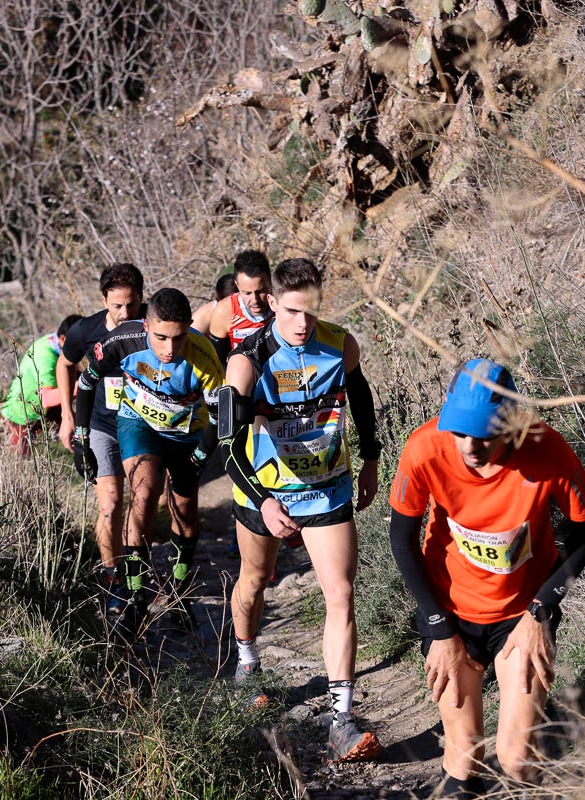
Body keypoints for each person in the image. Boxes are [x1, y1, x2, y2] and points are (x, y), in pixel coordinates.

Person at [387, 359, 585, 798]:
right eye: (460, 432)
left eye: (484, 435)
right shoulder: (425, 448)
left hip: (519, 613)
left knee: (518, 760)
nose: (470, 447)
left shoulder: (546, 449)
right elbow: (401, 540)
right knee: (464, 758)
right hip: (449, 611)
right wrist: (437, 628)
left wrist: (542, 609)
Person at [219, 257, 383, 762]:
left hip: (326, 487)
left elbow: (361, 400)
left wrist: (373, 459)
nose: (302, 323)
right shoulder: (247, 360)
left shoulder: (341, 343)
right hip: (262, 492)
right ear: (270, 301)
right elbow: (226, 446)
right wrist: (265, 501)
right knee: (255, 579)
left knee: (341, 593)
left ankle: (342, 720)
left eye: (310, 311)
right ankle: (247, 661)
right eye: (292, 311)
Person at [74, 288, 224, 632]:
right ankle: (135, 595)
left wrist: (200, 457)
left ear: (189, 328)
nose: (170, 349)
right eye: (160, 338)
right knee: (143, 494)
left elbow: (221, 417)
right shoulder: (123, 339)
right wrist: (82, 439)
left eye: (179, 337)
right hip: (138, 424)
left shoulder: (203, 354)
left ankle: (179, 591)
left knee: (185, 510)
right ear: (146, 325)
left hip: (187, 433)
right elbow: (86, 382)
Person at [56, 264, 146, 601]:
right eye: (117, 305)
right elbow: (65, 364)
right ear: (104, 300)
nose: (125, 313)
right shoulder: (86, 330)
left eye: (133, 304)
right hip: (101, 425)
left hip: (142, 426)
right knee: (110, 504)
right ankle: (113, 581)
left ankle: (139, 574)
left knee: (142, 502)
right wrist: (67, 416)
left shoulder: (153, 323)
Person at [0, 313, 83, 457]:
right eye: (80, 344)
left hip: (43, 413)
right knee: (21, 464)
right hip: (20, 417)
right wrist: (82, 384)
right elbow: (47, 398)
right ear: (63, 339)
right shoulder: (46, 357)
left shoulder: (56, 343)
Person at [207, 249, 273, 362]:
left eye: (260, 291)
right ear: (237, 285)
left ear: (270, 281)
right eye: (247, 293)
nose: (255, 300)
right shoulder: (224, 311)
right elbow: (218, 362)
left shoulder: (284, 304)